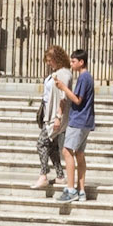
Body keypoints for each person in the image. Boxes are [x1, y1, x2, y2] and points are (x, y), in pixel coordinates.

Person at [58, 46, 95, 203]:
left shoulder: (83, 78)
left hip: (78, 120)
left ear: (81, 62)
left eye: (74, 61)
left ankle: (71, 188)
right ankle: (81, 190)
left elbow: (77, 99)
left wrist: (63, 88)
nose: (71, 64)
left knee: (67, 151)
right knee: (79, 153)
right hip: (86, 121)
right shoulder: (88, 77)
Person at [32, 43, 70, 192]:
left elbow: (63, 97)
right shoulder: (56, 73)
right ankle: (60, 176)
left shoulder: (64, 74)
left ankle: (43, 176)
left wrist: (58, 117)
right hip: (49, 115)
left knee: (41, 144)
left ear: (57, 58)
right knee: (53, 147)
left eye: (50, 60)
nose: (48, 63)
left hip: (55, 117)